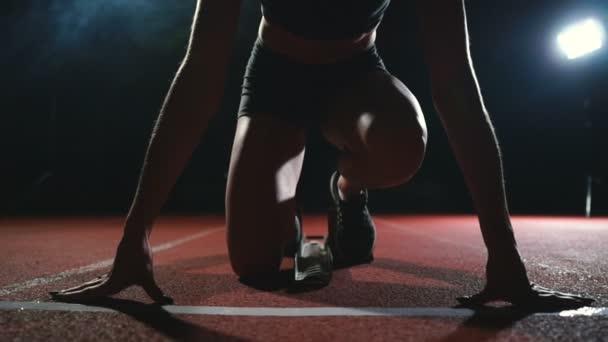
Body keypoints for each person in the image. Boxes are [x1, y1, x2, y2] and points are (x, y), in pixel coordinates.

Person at [51, 0, 593, 309]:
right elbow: (199, 73)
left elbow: (456, 87)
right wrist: (135, 238)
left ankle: (345, 190)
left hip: (355, 79)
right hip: (276, 81)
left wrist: (504, 254)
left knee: (404, 145)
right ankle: (283, 210)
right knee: (255, 264)